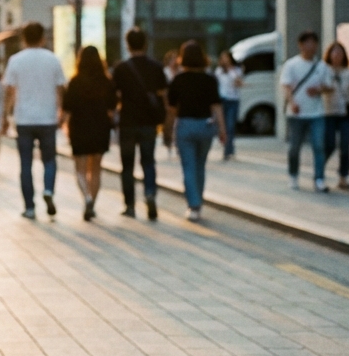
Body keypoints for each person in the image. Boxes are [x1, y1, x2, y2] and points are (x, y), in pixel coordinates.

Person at [3, 21, 66, 220]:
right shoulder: (53, 59)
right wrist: (61, 111)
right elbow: (60, 89)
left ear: (23, 38)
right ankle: (48, 190)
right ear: (43, 38)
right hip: (47, 118)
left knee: (26, 164)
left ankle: (29, 207)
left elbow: (10, 91)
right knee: (49, 159)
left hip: (24, 119)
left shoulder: (16, 60)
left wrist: (6, 115)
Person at [166, 40, 226, 222]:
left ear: (182, 58)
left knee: (188, 167)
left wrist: (167, 130)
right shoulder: (210, 80)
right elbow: (216, 106)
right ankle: (197, 201)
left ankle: (194, 205)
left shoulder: (178, 80)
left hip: (185, 126)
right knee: (200, 165)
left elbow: (172, 110)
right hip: (205, 126)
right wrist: (223, 130)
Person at [111, 27, 167, 220]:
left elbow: (115, 97)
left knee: (127, 165)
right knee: (148, 162)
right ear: (145, 44)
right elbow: (163, 96)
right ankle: (150, 194)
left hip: (127, 122)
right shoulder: (156, 67)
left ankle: (130, 205)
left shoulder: (121, 68)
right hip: (149, 123)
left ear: (127, 45)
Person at [61, 46, 117, 221]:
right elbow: (112, 109)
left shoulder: (75, 82)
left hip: (79, 127)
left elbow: (67, 109)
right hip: (100, 127)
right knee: (96, 169)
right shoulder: (106, 82)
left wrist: (62, 124)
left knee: (80, 168)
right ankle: (92, 200)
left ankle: (86, 197)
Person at [281, 30, 335, 192]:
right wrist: (292, 102)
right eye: (308, 43)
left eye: (314, 43)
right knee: (295, 147)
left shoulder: (322, 66)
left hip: (316, 112)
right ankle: (293, 175)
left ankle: (319, 179)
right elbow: (286, 86)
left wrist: (319, 90)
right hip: (296, 113)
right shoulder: (291, 64)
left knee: (319, 146)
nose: (311, 46)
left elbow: (330, 86)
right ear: (301, 45)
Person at [323, 41, 349, 191]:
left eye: (340, 52)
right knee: (330, 145)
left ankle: (343, 177)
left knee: (345, 146)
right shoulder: (323, 70)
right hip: (328, 112)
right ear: (329, 54)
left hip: (345, 112)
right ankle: (319, 171)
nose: (337, 55)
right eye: (334, 52)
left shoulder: (348, 72)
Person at [215, 50, 243, 160]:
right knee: (223, 126)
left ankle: (228, 150)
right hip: (222, 100)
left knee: (230, 125)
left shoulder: (237, 70)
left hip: (233, 100)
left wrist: (232, 72)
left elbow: (238, 83)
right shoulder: (219, 71)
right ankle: (227, 146)